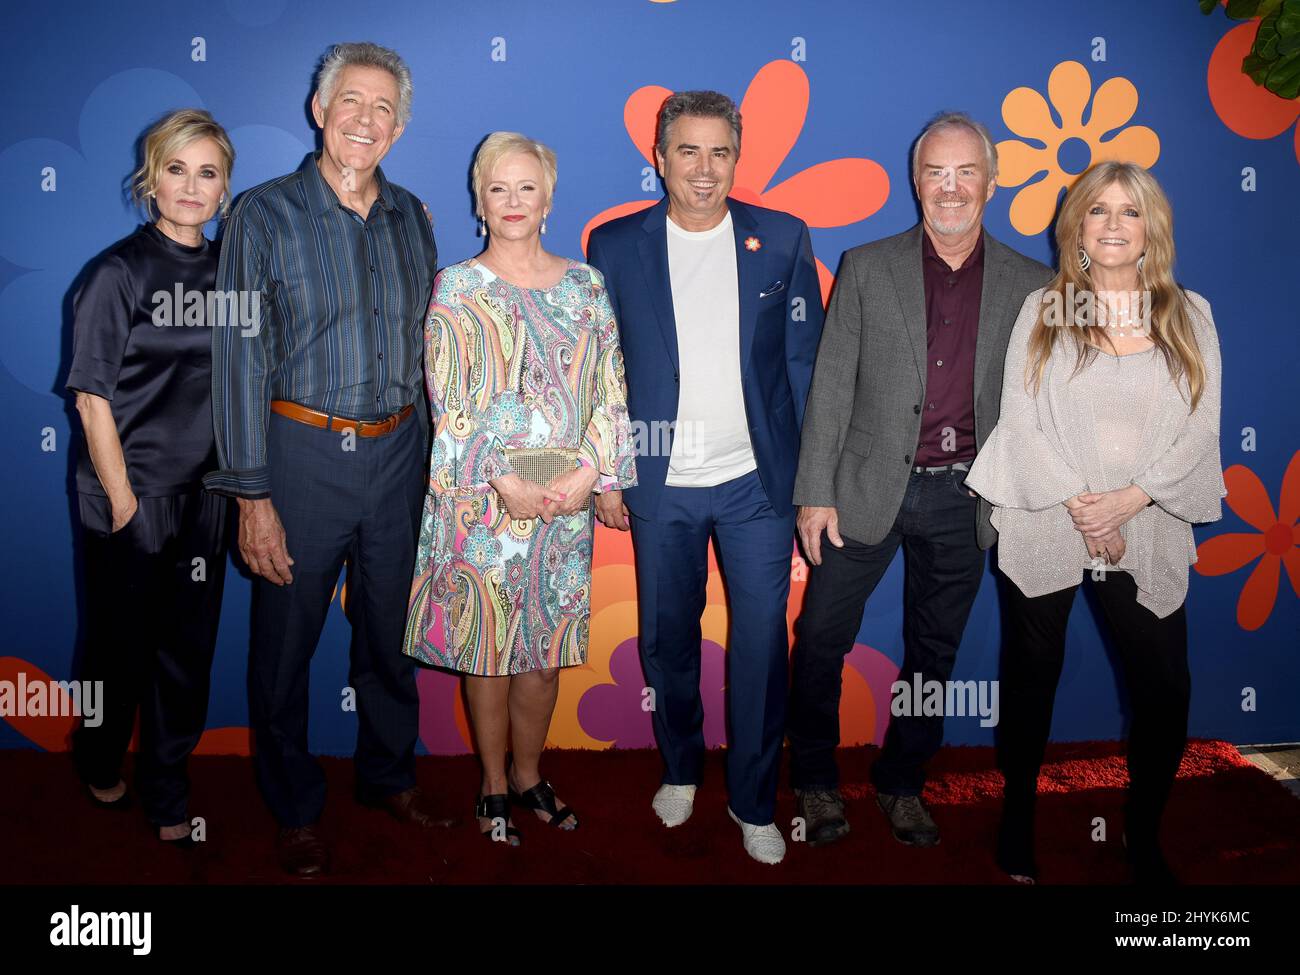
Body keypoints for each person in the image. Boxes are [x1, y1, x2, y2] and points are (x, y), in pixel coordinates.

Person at [205, 42, 448, 878]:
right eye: (352, 101)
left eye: (384, 108)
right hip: (299, 454)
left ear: (401, 124)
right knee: (284, 645)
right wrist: (251, 494)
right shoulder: (260, 214)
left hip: (398, 457)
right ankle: (294, 805)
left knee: (390, 636)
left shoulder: (414, 215)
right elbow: (237, 355)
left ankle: (388, 776)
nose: (366, 120)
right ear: (320, 109)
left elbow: (432, 352)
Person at [788, 113, 1052, 848]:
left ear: (991, 183)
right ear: (916, 181)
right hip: (866, 486)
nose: (951, 187)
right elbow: (832, 385)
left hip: (966, 495)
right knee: (819, 638)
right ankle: (813, 775)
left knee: (933, 653)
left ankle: (903, 779)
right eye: (936, 172)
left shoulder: (1033, 284)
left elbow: (1042, 399)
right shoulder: (867, 265)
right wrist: (815, 489)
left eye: (966, 171)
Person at [965, 161, 1224, 885]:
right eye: (1099, 210)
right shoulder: (1044, 311)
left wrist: (1129, 501)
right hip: (1048, 516)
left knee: (1165, 692)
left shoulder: (1190, 313)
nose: (1114, 224)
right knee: (1030, 679)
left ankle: (1142, 834)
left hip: (1148, 522)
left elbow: (1202, 430)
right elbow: (1020, 422)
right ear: (1076, 227)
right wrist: (1089, 505)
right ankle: (1018, 816)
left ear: (1152, 230)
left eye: (1130, 212)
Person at [587, 90, 824, 865]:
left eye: (719, 151)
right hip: (661, 484)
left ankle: (755, 800)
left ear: (737, 156)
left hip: (756, 484)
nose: (704, 168)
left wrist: (809, 479)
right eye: (686, 150)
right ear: (658, 158)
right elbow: (603, 373)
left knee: (759, 644)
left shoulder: (783, 239)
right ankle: (682, 766)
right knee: (666, 643)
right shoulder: (613, 245)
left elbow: (804, 366)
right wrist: (608, 474)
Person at [404, 132, 636, 845]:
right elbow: (449, 400)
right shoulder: (457, 286)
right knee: (491, 651)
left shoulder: (586, 284)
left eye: (526, 187)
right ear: (479, 200)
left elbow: (609, 388)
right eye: (498, 188)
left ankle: (532, 774)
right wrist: (502, 481)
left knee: (542, 653)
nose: (512, 201)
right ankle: (494, 784)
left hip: (566, 500)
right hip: (484, 502)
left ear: (549, 198)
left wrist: (592, 477)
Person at [66, 108, 235, 847]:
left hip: (209, 498)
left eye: (208, 172)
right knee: (116, 651)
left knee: (187, 653)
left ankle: (168, 783)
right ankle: (99, 754)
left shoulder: (234, 270)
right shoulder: (115, 272)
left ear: (225, 186)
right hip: (129, 495)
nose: (191, 187)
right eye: (177, 169)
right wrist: (127, 502)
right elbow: (90, 397)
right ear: (151, 178)